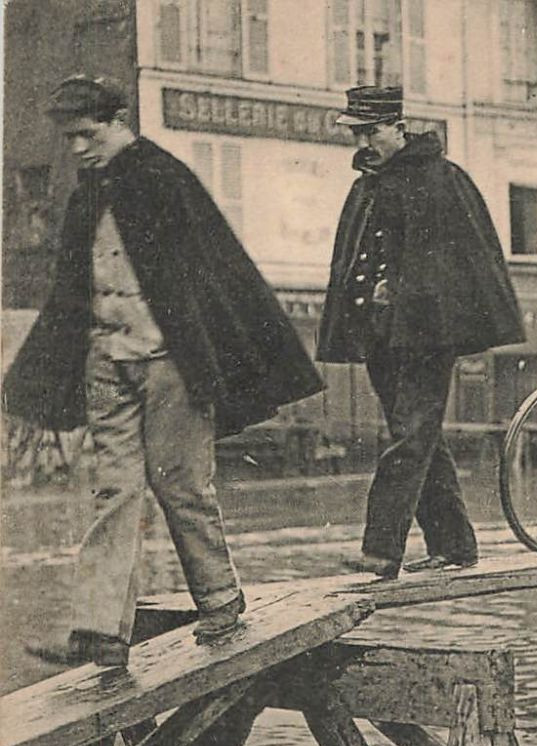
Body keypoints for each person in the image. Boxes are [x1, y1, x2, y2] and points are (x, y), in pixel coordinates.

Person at [4, 76, 323, 666]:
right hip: (106, 364)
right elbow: (69, 298)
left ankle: (221, 603)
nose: (76, 148)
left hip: (169, 364)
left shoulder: (166, 179)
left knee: (181, 484)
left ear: (117, 121)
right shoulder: (86, 195)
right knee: (114, 491)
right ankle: (102, 634)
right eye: (68, 138)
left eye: (86, 134)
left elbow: (217, 275)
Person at [318, 86, 523, 578]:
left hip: (429, 333)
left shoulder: (441, 180)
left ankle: (381, 549)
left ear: (397, 127)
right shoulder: (368, 183)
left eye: (371, 131)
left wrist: (404, 291)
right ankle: (454, 545)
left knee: (410, 436)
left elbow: (456, 265)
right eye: (357, 132)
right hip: (380, 335)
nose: (364, 141)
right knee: (415, 435)